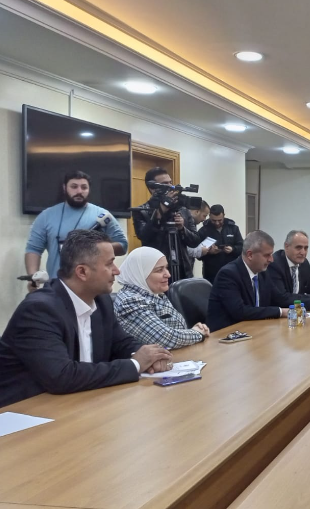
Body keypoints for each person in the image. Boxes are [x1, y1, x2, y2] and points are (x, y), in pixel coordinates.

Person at [0, 230, 172, 408]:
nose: (117, 270)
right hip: (25, 411)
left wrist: (150, 357)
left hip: (80, 402)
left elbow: (121, 343)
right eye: (110, 264)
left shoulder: (101, 300)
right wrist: (135, 364)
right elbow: (61, 376)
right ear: (82, 271)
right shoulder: (39, 310)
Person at [25, 171, 128, 292]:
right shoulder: (46, 216)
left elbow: (123, 245)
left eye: (84, 187)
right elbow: (33, 249)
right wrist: (33, 277)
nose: (79, 191)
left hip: (93, 288)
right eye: (74, 186)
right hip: (57, 286)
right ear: (65, 188)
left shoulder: (102, 215)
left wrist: (93, 248)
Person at [114, 246, 210, 349]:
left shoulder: (154, 293)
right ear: (141, 273)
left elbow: (174, 330)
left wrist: (193, 331)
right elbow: (164, 339)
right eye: (159, 270)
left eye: (166, 268)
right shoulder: (130, 301)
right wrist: (197, 333)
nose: (168, 274)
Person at [206, 230, 289, 332]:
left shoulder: (262, 273)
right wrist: (280, 312)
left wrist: (306, 304)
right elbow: (240, 311)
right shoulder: (228, 274)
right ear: (250, 255)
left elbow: (280, 298)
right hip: (226, 334)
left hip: (253, 330)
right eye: (267, 255)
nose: (271, 259)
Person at [132, 167, 200, 280]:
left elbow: (195, 241)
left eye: (170, 182)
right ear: (152, 188)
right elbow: (144, 236)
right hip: (157, 270)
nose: (170, 187)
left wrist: (182, 229)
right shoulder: (142, 211)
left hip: (183, 270)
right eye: (164, 184)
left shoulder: (183, 210)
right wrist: (159, 213)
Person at [197, 204, 244, 284]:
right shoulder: (203, 231)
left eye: (220, 220)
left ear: (224, 216)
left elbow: (242, 247)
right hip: (211, 274)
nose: (217, 223)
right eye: (214, 220)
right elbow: (197, 254)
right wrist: (208, 252)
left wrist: (233, 249)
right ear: (209, 216)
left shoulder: (233, 228)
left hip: (232, 272)